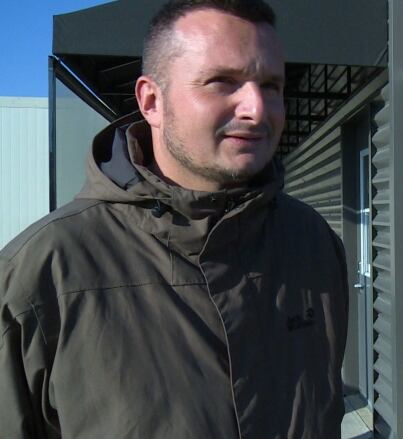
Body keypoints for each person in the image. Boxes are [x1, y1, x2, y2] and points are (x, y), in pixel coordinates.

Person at [0, 1, 348, 437]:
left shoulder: (313, 243)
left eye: (271, 85)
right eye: (222, 81)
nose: (257, 109)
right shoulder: (39, 275)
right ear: (152, 101)